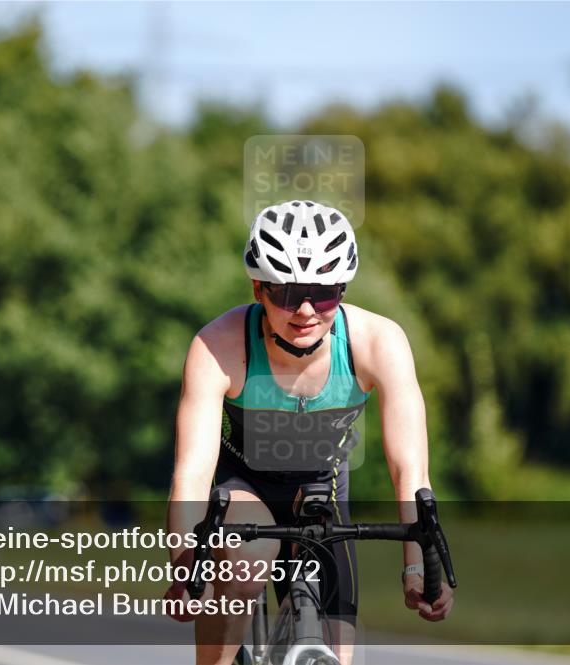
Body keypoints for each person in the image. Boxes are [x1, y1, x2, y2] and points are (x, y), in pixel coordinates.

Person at [165, 200, 454, 665]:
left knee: (339, 656)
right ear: (258, 288)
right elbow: (192, 473)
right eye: (285, 293)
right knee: (244, 564)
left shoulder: (378, 342)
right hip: (244, 487)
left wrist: (419, 567)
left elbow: (410, 470)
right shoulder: (219, 344)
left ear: (341, 289)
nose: (304, 311)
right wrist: (185, 562)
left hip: (322, 491)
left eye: (322, 294)